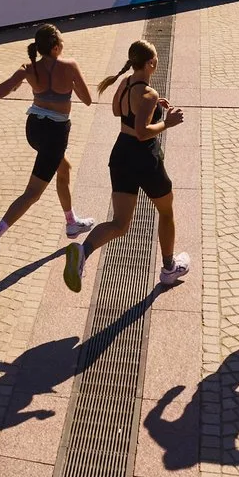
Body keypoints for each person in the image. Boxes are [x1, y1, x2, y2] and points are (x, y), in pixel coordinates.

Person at [64, 38, 189, 293]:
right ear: (151, 63)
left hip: (121, 154)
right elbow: (142, 133)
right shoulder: (148, 93)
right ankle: (169, 268)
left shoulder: (126, 83)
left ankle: (83, 252)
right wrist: (167, 122)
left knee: (120, 224)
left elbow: (117, 111)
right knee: (166, 211)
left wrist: (153, 107)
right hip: (145, 158)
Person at [0, 23, 94, 268]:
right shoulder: (70, 66)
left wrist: (19, 80)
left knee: (64, 169)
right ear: (56, 47)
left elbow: (0, 92)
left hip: (34, 130)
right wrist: (71, 84)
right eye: (62, 42)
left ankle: (71, 222)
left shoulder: (29, 68)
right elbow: (87, 100)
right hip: (55, 134)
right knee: (33, 192)